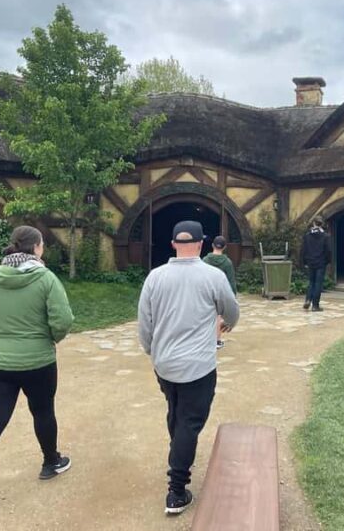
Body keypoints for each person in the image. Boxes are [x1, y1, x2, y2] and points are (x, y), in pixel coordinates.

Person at [0, 225, 74, 515]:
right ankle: (50, 462)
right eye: (42, 244)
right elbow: (63, 319)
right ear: (36, 247)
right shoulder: (46, 278)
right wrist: (48, 339)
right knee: (43, 412)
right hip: (38, 362)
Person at [139, 220, 240, 515]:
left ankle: (179, 451)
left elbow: (144, 323)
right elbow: (231, 310)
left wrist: (152, 351)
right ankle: (176, 490)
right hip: (198, 365)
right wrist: (228, 323)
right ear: (200, 243)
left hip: (164, 363)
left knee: (175, 409)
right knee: (190, 422)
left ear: (173, 244)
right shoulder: (213, 276)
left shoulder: (155, 277)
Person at [202, 235, 238, 349]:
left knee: (205, 316)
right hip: (220, 293)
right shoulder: (227, 263)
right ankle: (217, 341)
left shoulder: (205, 260)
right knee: (218, 316)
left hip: (206, 291)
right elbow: (231, 281)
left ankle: (205, 340)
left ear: (212, 245)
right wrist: (233, 295)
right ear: (225, 247)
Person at [301, 215, 332, 312]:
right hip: (321, 262)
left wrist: (304, 262)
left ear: (313, 223)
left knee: (311, 282)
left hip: (310, 262)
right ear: (321, 224)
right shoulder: (325, 236)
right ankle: (315, 305)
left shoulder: (307, 235)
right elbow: (328, 251)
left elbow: (303, 250)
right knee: (318, 283)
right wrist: (327, 261)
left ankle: (308, 300)